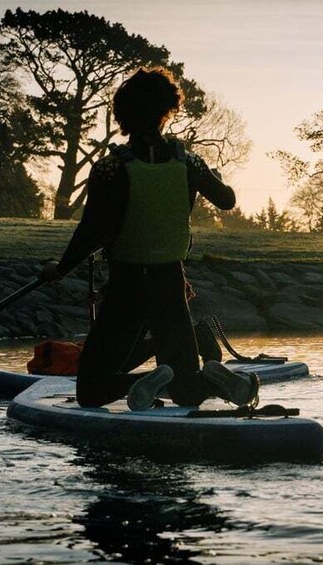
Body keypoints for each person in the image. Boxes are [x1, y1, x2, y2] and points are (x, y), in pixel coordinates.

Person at [38, 67, 258, 411]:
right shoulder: (190, 163)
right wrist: (207, 170)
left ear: (123, 114)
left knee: (91, 390)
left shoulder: (112, 168)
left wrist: (60, 269)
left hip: (127, 286)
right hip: (171, 285)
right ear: (166, 112)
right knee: (187, 392)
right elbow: (227, 200)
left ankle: (143, 384)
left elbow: (90, 233)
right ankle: (216, 380)